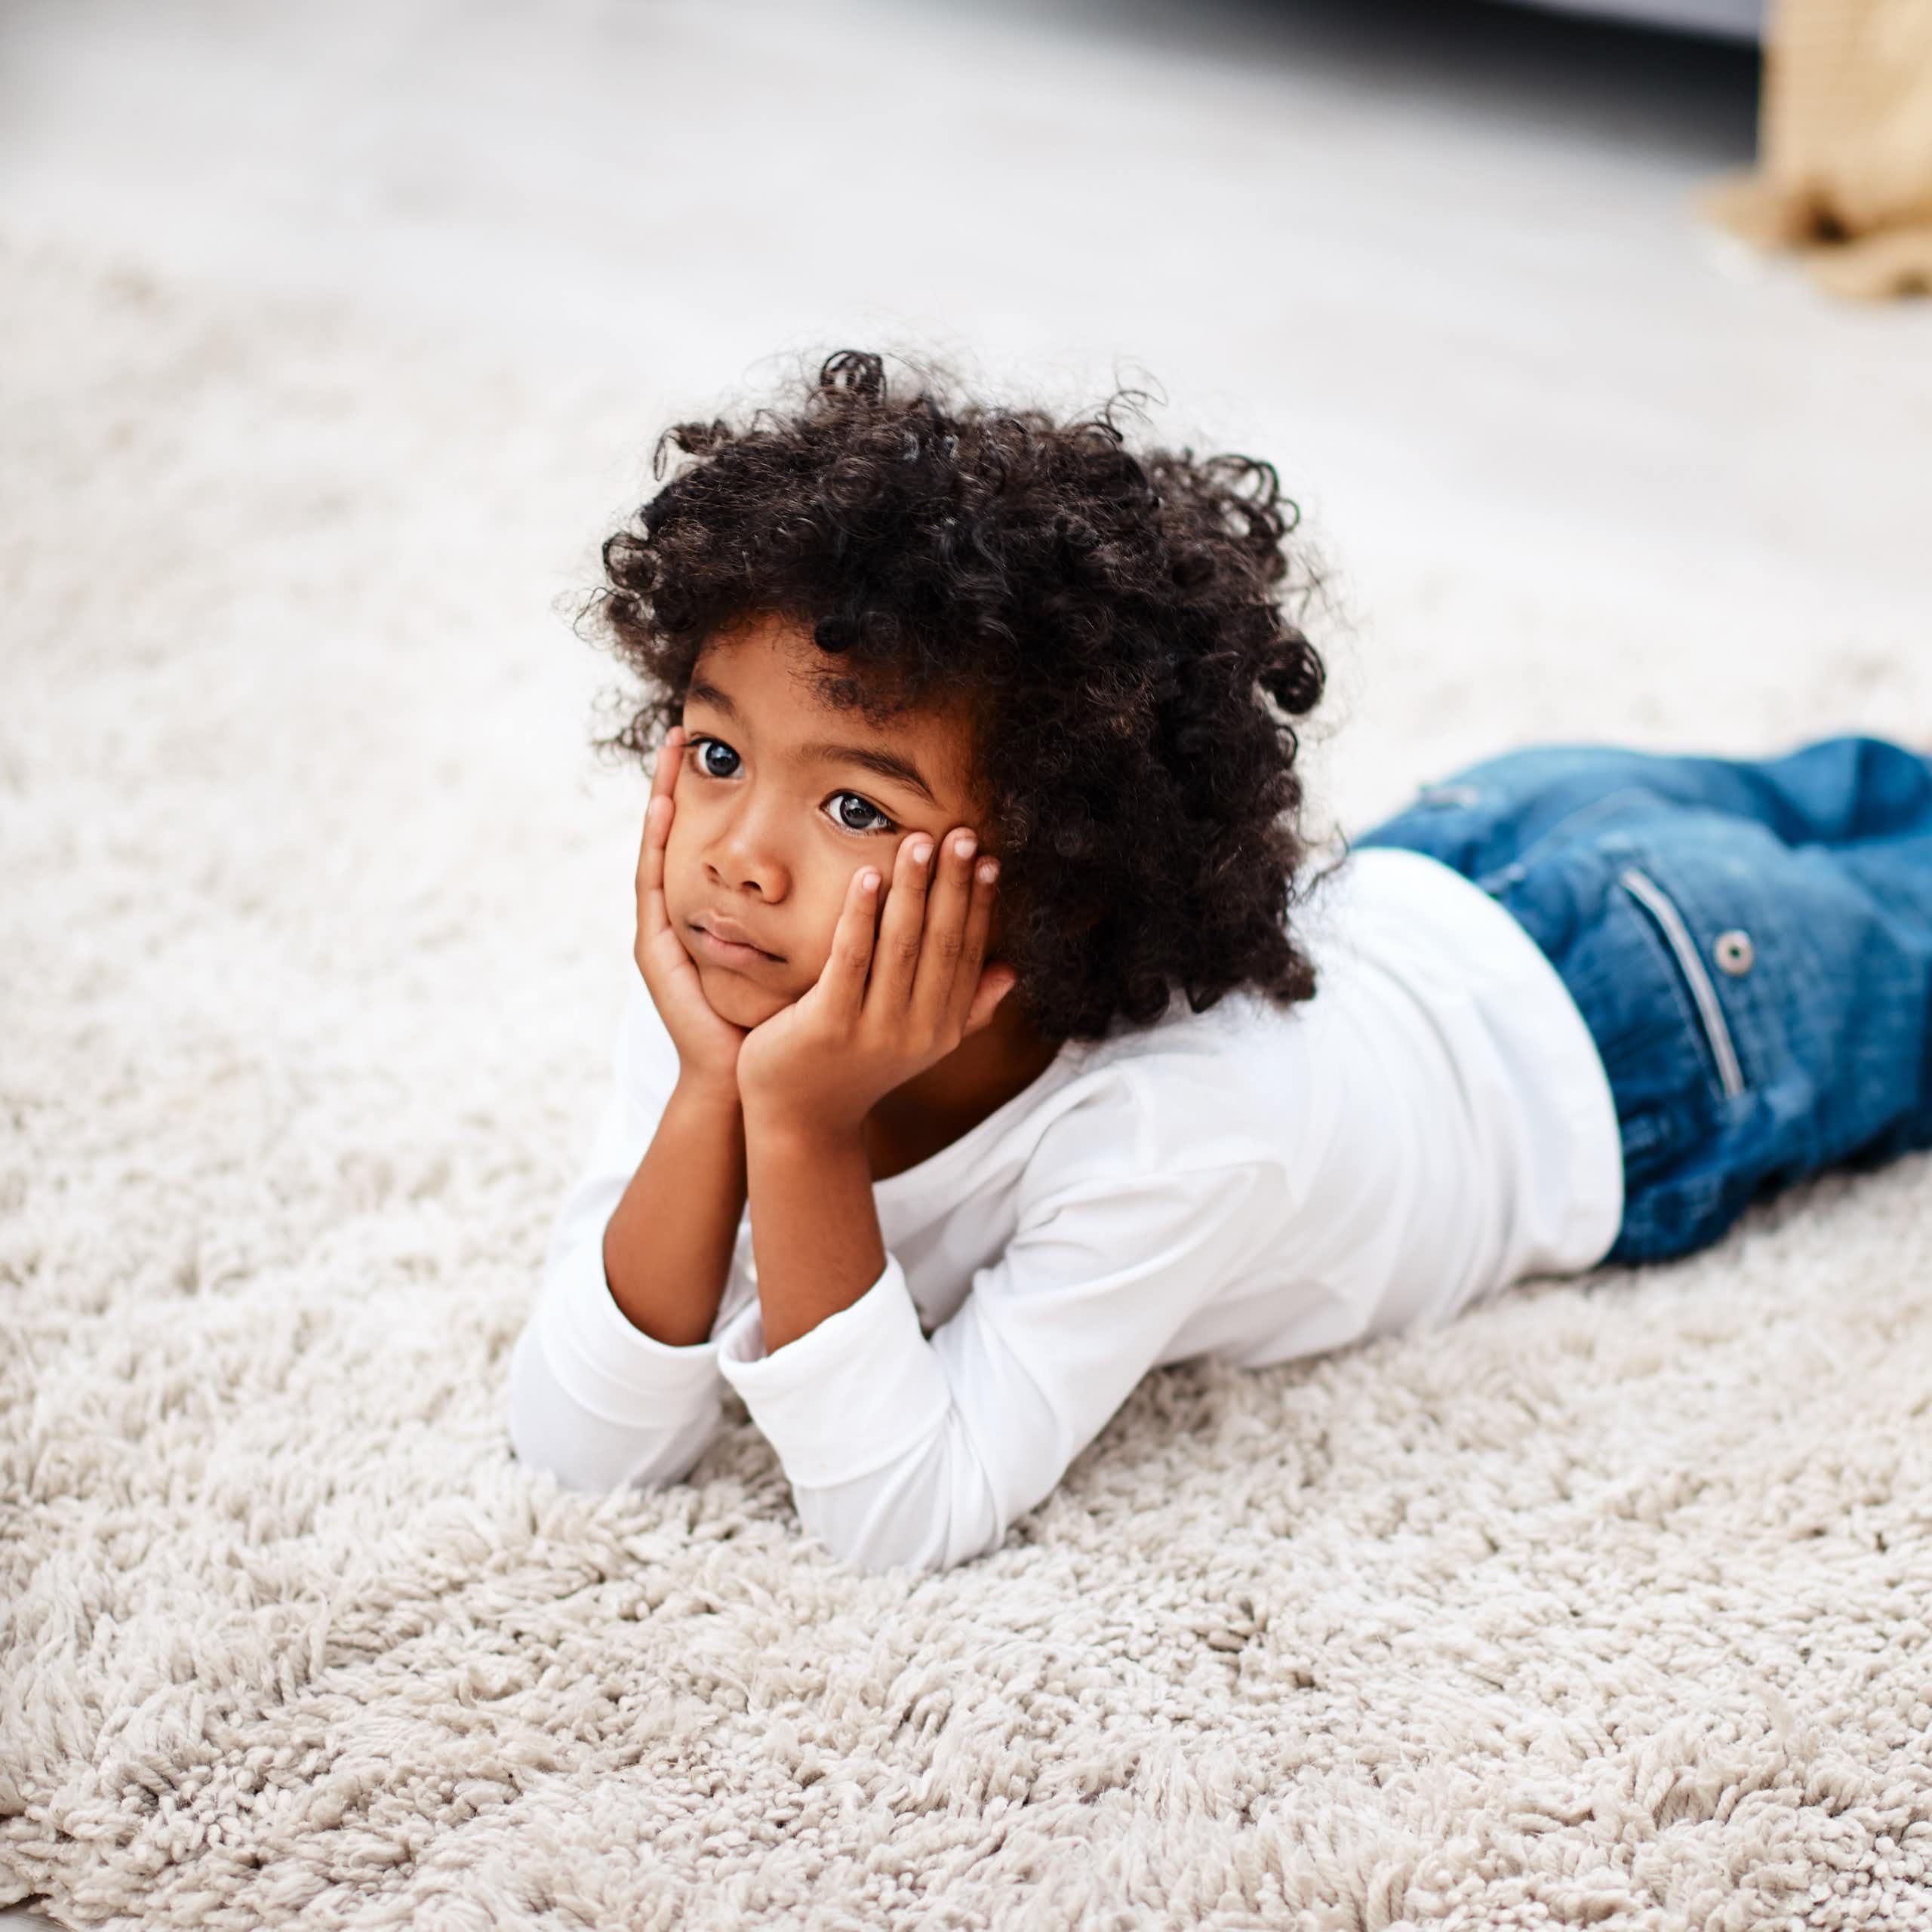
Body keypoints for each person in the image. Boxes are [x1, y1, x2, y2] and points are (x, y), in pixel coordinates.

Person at [505, 350, 1932, 1574]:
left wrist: (803, 1128)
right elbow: (582, 1448)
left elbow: (900, 1517)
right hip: (1461, 855)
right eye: (716, 754)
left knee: (1879, 812)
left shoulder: (1176, 1119)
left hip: (1656, 1027)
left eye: (857, 809)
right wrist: (719, 1095)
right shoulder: (739, 975)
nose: (738, 857)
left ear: (1067, 862)